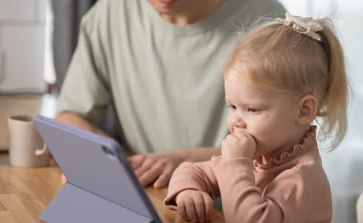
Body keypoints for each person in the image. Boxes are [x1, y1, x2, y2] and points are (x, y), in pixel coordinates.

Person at [163, 12, 349, 223]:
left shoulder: (303, 179)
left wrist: (236, 163)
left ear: (303, 111)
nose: (237, 121)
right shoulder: (261, 155)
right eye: (233, 106)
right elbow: (191, 170)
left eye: (253, 110)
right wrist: (188, 191)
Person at [55, 0, 285, 188]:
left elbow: (282, 149)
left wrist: (185, 162)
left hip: (238, 214)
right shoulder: (109, 13)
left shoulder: (266, 21)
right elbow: (69, 116)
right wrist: (109, 161)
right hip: (150, 198)